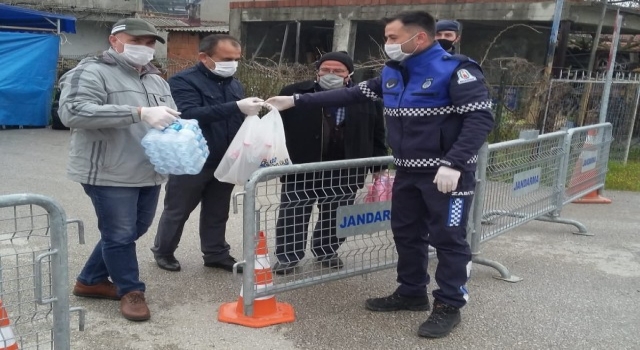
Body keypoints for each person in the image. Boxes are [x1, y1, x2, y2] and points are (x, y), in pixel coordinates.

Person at [266, 10, 494, 338]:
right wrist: (296, 99)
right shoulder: (392, 73)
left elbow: (480, 120)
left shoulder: (457, 71)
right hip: (407, 173)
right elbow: (351, 94)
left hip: (447, 177)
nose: (387, 44)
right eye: (386, 37)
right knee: (406, 234)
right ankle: (411, 292)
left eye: (392, 38)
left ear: (419, 38)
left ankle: (448, 304)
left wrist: (455, 162)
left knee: (449, 239)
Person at [59, 18, 181, 322]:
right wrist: (138, 112)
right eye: (136, 41)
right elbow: (71, 112)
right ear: (114, 40)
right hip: (108, 171)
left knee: (132, 230)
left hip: (148, 169)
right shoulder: (91, 71)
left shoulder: (156, 80)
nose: (145, 48)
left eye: (150, 43)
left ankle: (89, 281)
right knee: (120, 233)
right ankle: (130, 290)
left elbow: (168, 119)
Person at [151, 34, 264, 273]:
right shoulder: (183, 81)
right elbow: (189, 113)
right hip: (192, 160)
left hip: (225, 159)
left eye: (236, 59)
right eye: (226, 58)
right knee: (178, 209)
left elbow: (238, 117)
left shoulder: (234, 84)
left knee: (217, 210)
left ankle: (215, 253)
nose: (232, 64)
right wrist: (235, 107)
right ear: (204, 57)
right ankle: (164, 251)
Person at [272, 51, 388, 275]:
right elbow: (276, 129)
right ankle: (288, 256)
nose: (331, 74)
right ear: (317, 71)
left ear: (349, 74)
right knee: (293, 213)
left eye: (338, 71)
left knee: (336, 215)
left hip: (346, 169)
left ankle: (326, 251)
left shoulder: (367, 97)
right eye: (326, 69)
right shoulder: (294, 94)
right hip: (301, 167)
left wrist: (379, 164)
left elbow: (377, 133)